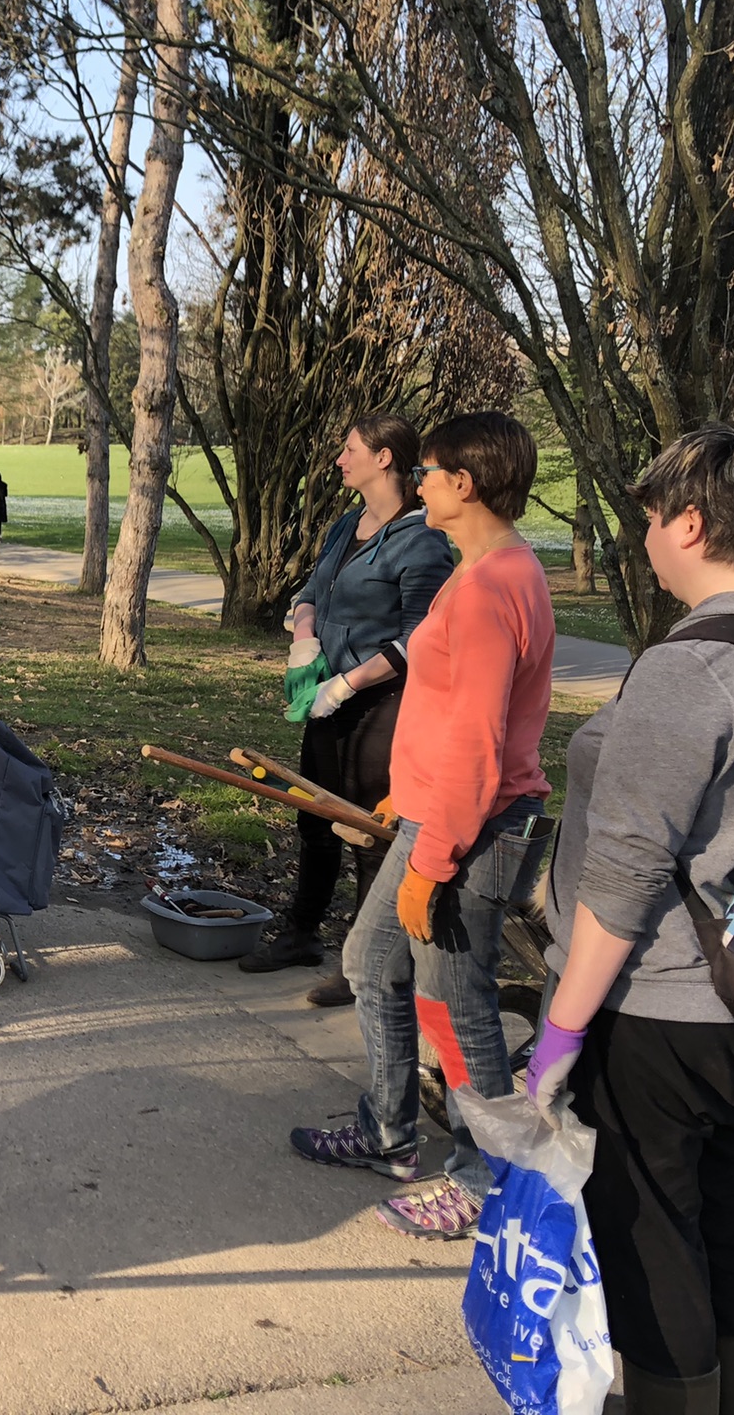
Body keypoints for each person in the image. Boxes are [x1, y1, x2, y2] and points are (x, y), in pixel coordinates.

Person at [524, 426, 734, 1415]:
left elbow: (624, 879)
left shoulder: (691, 667)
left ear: (691, 523)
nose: (648, 539)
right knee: (722, 1215)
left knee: (648, 1234)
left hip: (660, 1008)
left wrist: (557, 1038)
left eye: (653, 519)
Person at [290, 411, 555, 1240]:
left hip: (470, 827)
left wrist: (432, 858)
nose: (419, 484)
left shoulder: (488, 590)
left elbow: (477, 743)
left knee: (456, 1003)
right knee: (371, 963)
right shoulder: (491, 569)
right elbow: (448, 714)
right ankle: (388, 1132)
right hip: (434, 809)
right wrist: (404, 797)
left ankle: (483, 1180)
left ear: (462, 484)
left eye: (428, 473)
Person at [242, 416, 453, 1005]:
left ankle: (364, 964)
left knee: (367, 830)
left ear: (384, 458)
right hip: (326, 698)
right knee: (315, 816)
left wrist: (350, 683)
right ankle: (302, 935)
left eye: (350, 449)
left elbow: (421, 638)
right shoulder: (346, 524)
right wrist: (304, 640)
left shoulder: (422, 541)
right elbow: (311, 591)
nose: (340, 459)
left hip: (381, 707)